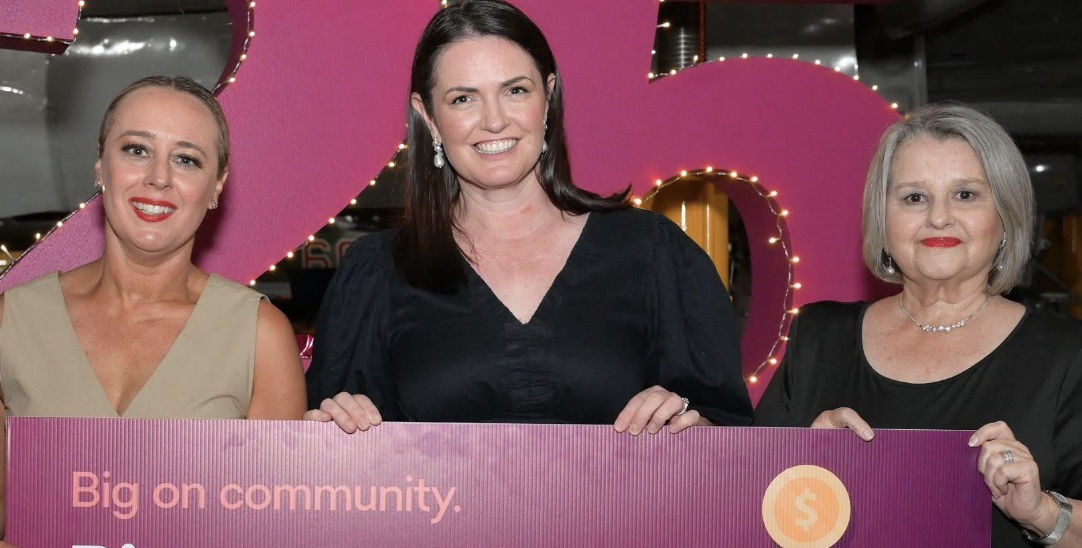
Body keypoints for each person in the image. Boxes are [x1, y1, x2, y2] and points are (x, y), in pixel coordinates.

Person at [304, 0, 751, 435]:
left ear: (548, 98)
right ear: (430, 118)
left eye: (515, 91)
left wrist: (695, 427)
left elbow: (730, 442)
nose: (494, 120)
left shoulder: (654, 252)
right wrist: (324, 435)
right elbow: (336, 462)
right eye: (463, 99)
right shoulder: (377, 272)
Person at [754, 103, 1082, 547]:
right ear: (883, 220)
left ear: (1005, 217)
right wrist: (795, 462)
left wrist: (1041, 512)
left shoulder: (1067, 356)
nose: (938, 217)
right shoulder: (817, 337)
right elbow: (746, 503)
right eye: (914, 198)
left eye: (965, 194)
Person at [0, 76, 307, 541]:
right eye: (137, 150)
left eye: (186, 159)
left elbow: (278, 529)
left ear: (216, 185)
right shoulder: (13, 320)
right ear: (100, 164)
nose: (159, 177)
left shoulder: (258, 333)